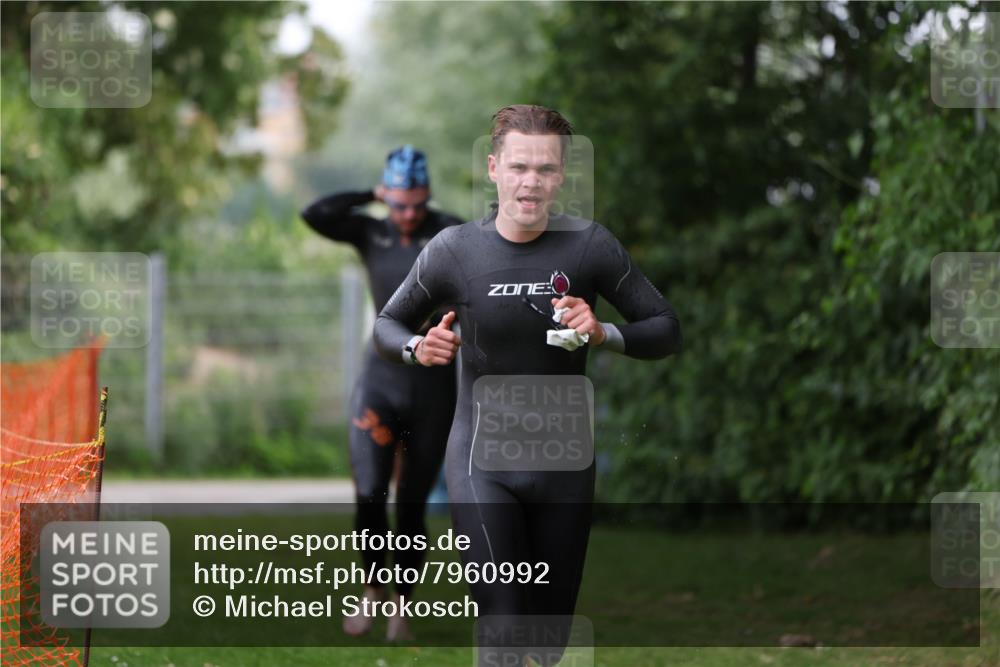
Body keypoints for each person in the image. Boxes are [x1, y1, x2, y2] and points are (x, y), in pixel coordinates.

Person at [373, 106, 681, 664]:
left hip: (565, 465)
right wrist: (417, 347)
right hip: (482, 463)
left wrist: (603, 331)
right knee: (504, 627)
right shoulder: (454, 251)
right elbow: (386, 325)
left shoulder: (590, 246)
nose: (530, 182)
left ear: (562, 175)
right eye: (518, 166)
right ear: (494, 168)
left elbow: (665, 328)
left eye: (544, 169)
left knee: (547, 642)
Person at [301, 146, 461, 641]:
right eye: (398, 204)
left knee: (411, 502)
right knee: (370, 493)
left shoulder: (451, 233)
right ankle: (373, 588)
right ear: (386, 197)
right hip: (381, 380)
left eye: (416, 204)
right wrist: (371, 196)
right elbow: (316, 213)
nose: (408, 215)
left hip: (434, 388)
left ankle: (401, 610)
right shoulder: (371, 229)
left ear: (427, 197)